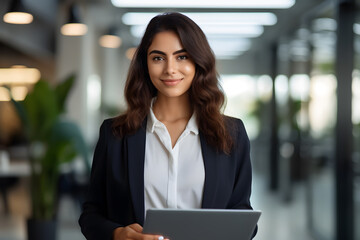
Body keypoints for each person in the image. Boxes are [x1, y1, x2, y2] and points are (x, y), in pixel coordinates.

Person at [79, 12, 256, 240]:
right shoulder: (115, 134)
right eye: (158, 58)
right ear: (145, 64)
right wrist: (118, 234)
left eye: (181, 57)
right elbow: (91, 214)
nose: (170, 69)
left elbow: (242, 214)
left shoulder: (232, 134)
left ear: (198, 62)